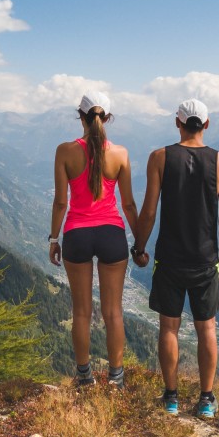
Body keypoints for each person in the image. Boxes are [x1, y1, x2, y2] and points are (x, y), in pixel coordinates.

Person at [135, 98, 219, 417]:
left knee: (169, 328)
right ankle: (206, 399)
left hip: (170, 258)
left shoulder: (159, 158)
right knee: (207, 329)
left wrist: (139, 247)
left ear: (177, 122)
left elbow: (149, 210)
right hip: (206, 259)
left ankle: (171, 398)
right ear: (207, 124)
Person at [50, 91, 141, 389]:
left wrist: (54, 238)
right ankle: (116, 379)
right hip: (111, 234)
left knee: (81, 312)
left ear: (80, 116)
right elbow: (128, 205)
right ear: (108, 118)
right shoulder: (121, 154)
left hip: (76, 234)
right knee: (113, 312)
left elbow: (61, 203)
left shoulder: (64, 151)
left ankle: (84, 376)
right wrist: (139, 241)